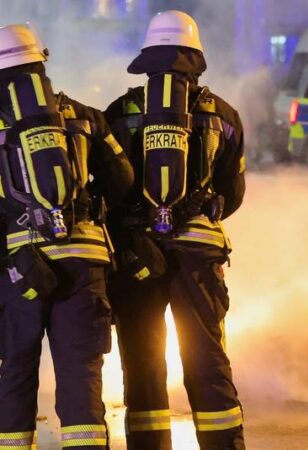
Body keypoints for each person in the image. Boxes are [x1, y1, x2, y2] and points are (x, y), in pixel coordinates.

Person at [104, 10, 246, 450]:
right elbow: (233, 193)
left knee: (144, 365)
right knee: (207, 360)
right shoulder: (221, 114)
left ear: (147, 58)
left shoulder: (120, 113)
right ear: (196, 59)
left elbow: (107, 190)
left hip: (137, 259)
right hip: (198, 257)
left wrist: (133, 233)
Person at [0, 23, 133, 450]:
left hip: (19, 270)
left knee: (15, 372)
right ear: (42, 62)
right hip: (83, 263)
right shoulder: (83, 116)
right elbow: (124, 181)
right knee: (80, 374)